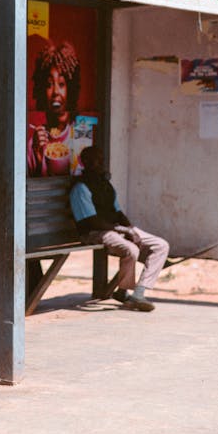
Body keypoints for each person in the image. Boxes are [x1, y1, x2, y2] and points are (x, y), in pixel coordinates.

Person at [69, 146, 169, 312]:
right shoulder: (80, 188)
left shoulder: (105, 185)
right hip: (94, 232)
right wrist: (123, 230)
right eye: (94, 161)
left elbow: (118, 212)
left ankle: (138, 292)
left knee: (161, 245)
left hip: (115, 229)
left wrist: (130, 229)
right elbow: (91, 222)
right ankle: (123, 292)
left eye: (101, 161)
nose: (99, 164)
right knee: (131, 250)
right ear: (84, 163)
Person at [27, 40, 81, 177]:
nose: (56, 91)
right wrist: (38, 158)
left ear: (71, 89)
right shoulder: (35, 143)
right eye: (49, 84)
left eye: (61, 84)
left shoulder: (81, 135)